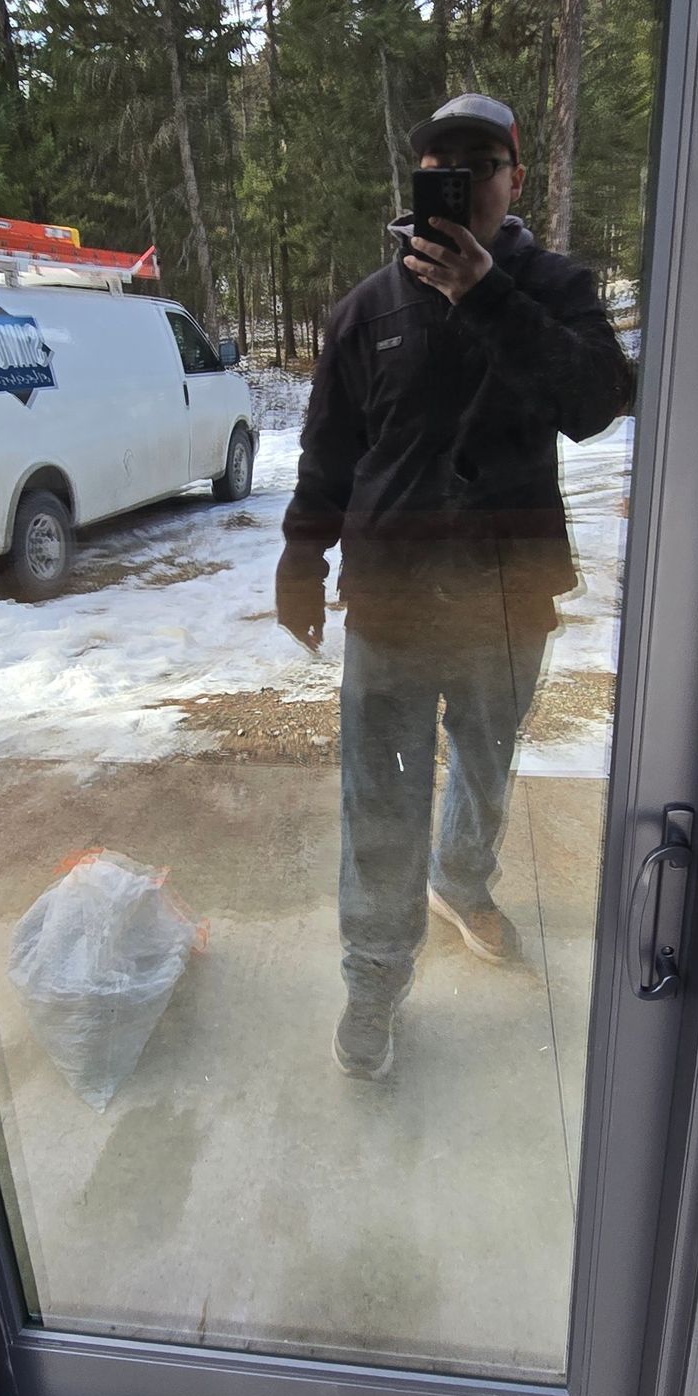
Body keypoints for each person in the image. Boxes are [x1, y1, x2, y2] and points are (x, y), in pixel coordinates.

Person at [276, 92, 637, 1080]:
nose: (463, 181)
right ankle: (374, 977)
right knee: (380, 806)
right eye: (442, 166)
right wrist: (302, 559)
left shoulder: (555, 288)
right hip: (390, 604)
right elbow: (328, 454)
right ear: (420, 183)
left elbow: (596, 402)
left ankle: (461, 883)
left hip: (508, 600)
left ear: (517, 180)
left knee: (485, 769)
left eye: (482, 164)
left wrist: (488, 295)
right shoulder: (366, 310)